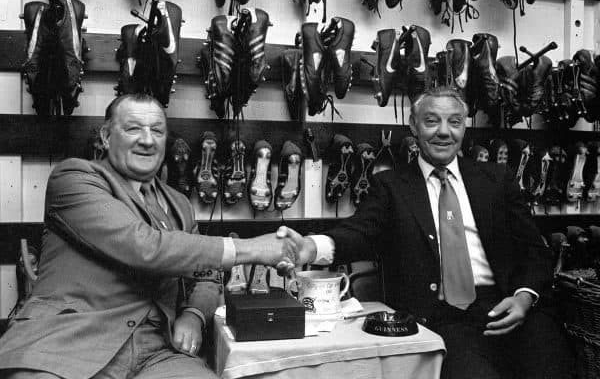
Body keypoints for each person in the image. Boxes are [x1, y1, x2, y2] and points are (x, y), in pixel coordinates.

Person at [282, 86, 575, 379]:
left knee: (554, 367)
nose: (444, 132)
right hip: (444, 317)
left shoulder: (498, 179)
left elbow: (534, 251)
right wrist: (310, 247)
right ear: (413, 125)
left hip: (511, 306)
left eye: (455, 122)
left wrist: (524, 297)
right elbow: (359, 234)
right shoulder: (390, 186)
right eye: (432, 121)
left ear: (464, 126)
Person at [0, 93, 296, 379]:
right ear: (105, 137)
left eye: (157, 131)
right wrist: (256, 249)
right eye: (132, 129)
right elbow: (143, 246)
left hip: (157, 352)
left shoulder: (179, 204)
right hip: (65, 344)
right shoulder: (74, 179)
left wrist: (194, 314)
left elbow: (206, 277)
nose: (147, 140)